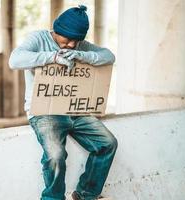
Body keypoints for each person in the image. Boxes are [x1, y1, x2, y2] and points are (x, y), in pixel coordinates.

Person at [9, 5, 117, 200]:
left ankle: (86, 194)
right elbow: (15, 60)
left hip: (74, 109)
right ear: (56, 30)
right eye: (66, 39)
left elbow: (109, 56)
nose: (70, 44)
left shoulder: (78, 46)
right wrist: (52, 57)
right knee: (56, 155)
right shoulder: (38, 38)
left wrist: (84, 56)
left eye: (76, 41)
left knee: (107, 143)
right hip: (44, 111)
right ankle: (53, 198)